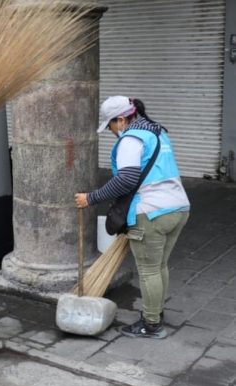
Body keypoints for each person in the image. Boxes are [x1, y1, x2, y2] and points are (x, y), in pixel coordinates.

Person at [75, 96, 190, 339]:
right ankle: (156, 313)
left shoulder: (130, 139)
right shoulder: (157, 133)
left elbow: (126, 179)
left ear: (121, 119)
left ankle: (151, 325)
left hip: (151, 212)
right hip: (178, 208)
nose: (111, 130)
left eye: (110, 125)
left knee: (148, 271)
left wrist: (91, 198)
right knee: (159, 266)